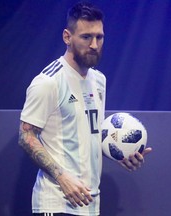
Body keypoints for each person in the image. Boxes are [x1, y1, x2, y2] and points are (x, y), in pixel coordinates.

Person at [18, 2, 152, 216]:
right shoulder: (48, 81)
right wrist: (62, 177)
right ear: (67, 37)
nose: (94, 44)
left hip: (89, 203)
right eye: (86, 37)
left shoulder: (99, 80)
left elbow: (88, 136)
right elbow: (25, 136)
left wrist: (119, 153)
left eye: (99, 37)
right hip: (56, 202)